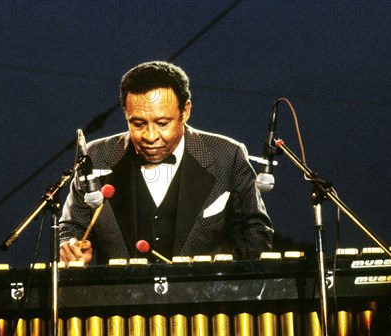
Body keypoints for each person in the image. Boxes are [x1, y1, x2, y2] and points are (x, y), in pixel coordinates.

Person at [59, 61, 273, 265]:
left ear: (186, 111)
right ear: (126, 113)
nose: (151, 136)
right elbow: (72, 228)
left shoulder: (228, 155)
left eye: (162, 123)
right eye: (138, 123)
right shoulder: (95, 157)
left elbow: (256, 236)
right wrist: (70, 246)